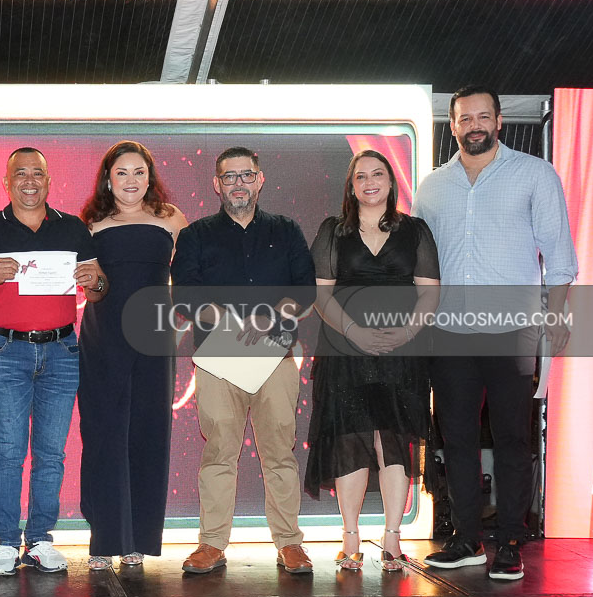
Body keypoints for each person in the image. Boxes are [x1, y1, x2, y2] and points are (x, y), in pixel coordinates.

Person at [413, 86, 577, 580]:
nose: (475, 125)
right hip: (448, 331)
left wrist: (556, 318)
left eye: (484, 116)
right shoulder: (432, 186)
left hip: (513, 330)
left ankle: (509, 541)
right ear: (452, 124)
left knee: (512, 438)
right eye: (465, 118)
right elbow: (421, 263)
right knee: (456, 439)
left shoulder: (535, 174)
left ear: (499, 121)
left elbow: (560, 257)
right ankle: (466, 539)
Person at [0, 147, 108, 576]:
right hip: (7, 351)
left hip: (62, 350)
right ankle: (6, 541)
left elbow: (99, 290)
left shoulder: (72, 228)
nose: (29, 181)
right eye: (19, 174)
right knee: (8, 451)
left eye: (36, 173)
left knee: (51, 454)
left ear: (48, 180)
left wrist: (95, 281)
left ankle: (40, 538)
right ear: (6, 182)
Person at [170, 147, 316, 575]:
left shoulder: (286, 230)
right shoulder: (196, 235)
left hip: (275, 355)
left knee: (280, 453)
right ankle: (211, 544)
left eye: (246, 175)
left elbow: (305, 290)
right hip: (219, 358)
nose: (238, 183)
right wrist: (232, 321)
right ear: (217, 184)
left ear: (260, 179)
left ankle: (289, 543)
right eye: (229, 176)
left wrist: (269, 318)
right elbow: (185, 295)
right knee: (219, 453)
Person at [305, 150, 440, 571]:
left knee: (394, 440)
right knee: (350, 437)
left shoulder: (415, 231)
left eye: (377, 174)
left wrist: (407, 333)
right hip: (345, 350)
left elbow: (430, 291)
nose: (369, 182)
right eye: (360, 176)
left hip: (402, 352)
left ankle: (392, 538)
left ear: (390, 182)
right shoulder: (333, 231)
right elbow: (320, 294)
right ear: (351, 185)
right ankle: (350, 537)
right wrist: (354, 332)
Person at [77, 141, 188, 570]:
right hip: (103, 337)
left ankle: (138, 539)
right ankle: (105, 539)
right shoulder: (91, 223)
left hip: (155, 339)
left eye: (139, 172)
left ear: (150, 177)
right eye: (121, 172)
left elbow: (191, 277)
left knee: (149, 433)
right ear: (108, 179)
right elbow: (88, 283)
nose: (131, 180)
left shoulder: (172, 218)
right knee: (104, 435)